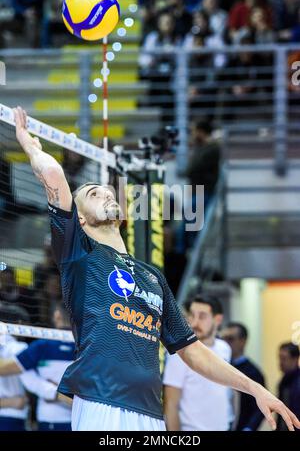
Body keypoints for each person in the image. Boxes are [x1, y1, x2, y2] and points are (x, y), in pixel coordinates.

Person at [8, 106, 300, 432]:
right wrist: (29, 143)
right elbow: (53, 176)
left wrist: (255, 388)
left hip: (149, 410)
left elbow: (191, 351)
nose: (104, 192)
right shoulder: (80, 255)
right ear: (80, 218)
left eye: (105, 189)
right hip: (102, 403)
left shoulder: (152, 276)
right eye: (92, 193)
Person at [0, 303, 74, 431]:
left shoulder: (41, 346)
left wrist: (57, 394)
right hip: (75, 417)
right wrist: (58, 394)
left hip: (48, 418)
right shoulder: (88, 346)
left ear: (57, 315)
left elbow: (7, 370)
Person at [163, 294, 232, 430]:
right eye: (192, 315)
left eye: (202, 316)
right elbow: (171, 404)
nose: (194, 323)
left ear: (217, 319)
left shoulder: (224, 348)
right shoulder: (180, 353)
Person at [222, 322, 265, 431]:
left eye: (230, 339)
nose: (226, 343)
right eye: (224, 338)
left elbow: (259, 408)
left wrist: (248, 428)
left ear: (243, 341)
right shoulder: (220, 367)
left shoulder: (253, 372)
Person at [277, 343, 300, 431]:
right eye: (279, 358)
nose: (280, 362)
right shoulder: (283, 381)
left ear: (295, 359)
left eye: (284, 358)